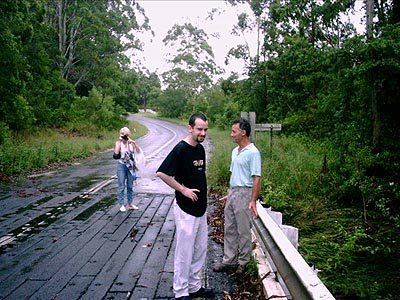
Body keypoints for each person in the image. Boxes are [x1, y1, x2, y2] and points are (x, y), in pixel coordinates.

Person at [156, 113, 214, 300]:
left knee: (200, 249)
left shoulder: (200, 149)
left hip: (201, 207)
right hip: (185, 208)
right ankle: (180, 292)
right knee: (185, 251)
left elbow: (200, 174)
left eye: (205, 129)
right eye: (199, 129)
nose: (203, 133)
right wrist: (183, 190)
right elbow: (162, 173)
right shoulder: (180, 149)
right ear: (190, 128)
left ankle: (194, 286)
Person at [213, 117, 261, 275]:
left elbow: (257, 178)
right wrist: (229, 193)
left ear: (244, 133)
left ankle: (243, 262)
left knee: (243, 230)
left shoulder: (253, 153)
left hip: (244, 193)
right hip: (233, 192)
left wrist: (253, 200)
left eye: (234, 131)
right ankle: (229, 261)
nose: (231, 134)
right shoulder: (235, 151)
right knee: (230, 228)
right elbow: (234, 174)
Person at [113, 126, 143, 212]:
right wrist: (120, 143)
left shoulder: (131, 143)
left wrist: (133, 143)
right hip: (121, 165)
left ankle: (130, 203)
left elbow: (138, 151)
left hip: (130, 166)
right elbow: (116, 155)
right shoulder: (118, 143)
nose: (124, 137)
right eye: (123, 135)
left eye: (126, 135)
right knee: (121, 185)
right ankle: (121, 204)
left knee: (130, 186)